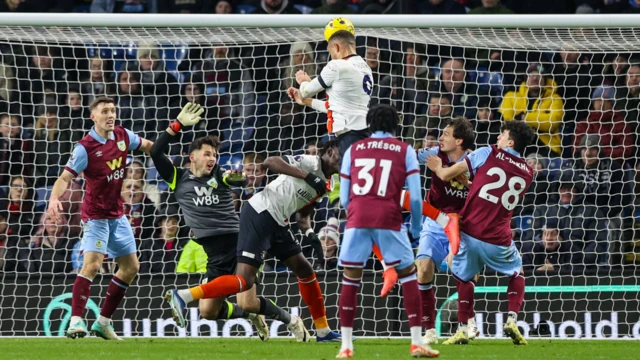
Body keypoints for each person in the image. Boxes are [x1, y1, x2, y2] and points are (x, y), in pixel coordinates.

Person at [165, 140, 344, 343]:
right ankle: (184, 296)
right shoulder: (310, 163)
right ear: (329, 152)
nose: (346, 159)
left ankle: (323, 332)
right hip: (260, 212)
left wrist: (311, 234)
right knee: (244, 282)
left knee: (305, 270)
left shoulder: (329, 184)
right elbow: (269, 162)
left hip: (279, 222)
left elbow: (303, 216)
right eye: (342, 153)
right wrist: (308, 176)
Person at [288, 30, 401, 296]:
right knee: (362, 208)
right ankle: (388, 266)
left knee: (363, 205)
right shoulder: (363, 68)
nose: (329, 55)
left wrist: (303, 82)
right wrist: (305, 102)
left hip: (351, 140)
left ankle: (437, 221)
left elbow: (309, 86)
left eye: (329, 50)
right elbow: (336, 107)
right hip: (358, 135)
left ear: (336, 46)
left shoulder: (337, 65)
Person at [150, 105, 270, 340]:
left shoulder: (219, 174)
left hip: (237, 245)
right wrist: (177, 125)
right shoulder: (178, 177)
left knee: (249, 301)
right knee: (207, 312)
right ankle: (251, 317)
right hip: (213, 253)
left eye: (215, 155)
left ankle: (290, 320)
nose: (212, 158)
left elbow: (235, 179)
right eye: (207, 154)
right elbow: (156, 151)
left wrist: (239, 178)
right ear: (192, 157)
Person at [336, 104, 439, 358]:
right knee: (408, 275)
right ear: (395, 125)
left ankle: (346, 346)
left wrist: (356, 212)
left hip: (358, 217)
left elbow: (343, 197)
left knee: (350, 279)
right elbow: (415, 198)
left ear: (369, 125)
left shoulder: (353, 149)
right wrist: (415, 226)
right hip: (388, 218)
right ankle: (416, 342)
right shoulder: (404, 150)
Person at [46, 96, 153, 340]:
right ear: (93, 117)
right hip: (95, 216)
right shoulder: (85, 147)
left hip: (118, 213)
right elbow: (64, 178)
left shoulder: (124, 136)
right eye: (105, 111)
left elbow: (148, 146)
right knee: (93, 265)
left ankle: (103, 323)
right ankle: (75, 322)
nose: (111, 115)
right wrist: (53, 199)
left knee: (131, 267)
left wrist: (167, 154)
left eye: (113, 110)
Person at [425, 121, 535, 345]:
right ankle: (512, 319)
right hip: (498, 237)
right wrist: (470, 184)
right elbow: (493, 192)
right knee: (517, 273)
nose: (498, 138)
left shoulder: (487, 152)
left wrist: (437, 166)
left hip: (470, 230)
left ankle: (463, 328)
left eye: (502, 135)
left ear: (510, 141)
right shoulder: (528, 173)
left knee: (463, 278)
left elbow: (446, 175)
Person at [414, 117, 477, 345]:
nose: (440, 138)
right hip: (435, 219)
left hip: (464, 222)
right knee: (423, 268)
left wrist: (467, 182)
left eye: (446, 134)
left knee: (462, 269)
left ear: (459, 140)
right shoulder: (433, 154)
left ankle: (468, 321)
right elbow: (407, 158)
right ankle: (429, 329)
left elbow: (482, 194)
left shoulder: (476, 160)